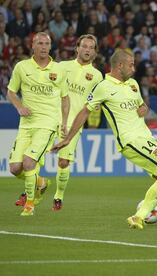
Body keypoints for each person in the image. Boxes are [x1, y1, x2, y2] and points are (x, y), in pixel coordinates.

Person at [51, 49, 157, 230]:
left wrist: (144, 109)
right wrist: (69, 138)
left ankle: (138, 217)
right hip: (129, 139)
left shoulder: (133, 84)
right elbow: (85, 111)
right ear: (120, 65)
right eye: (131, 64)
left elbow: (142, 106)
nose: (134, 68)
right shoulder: (103, 87)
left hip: (145, 136)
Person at [7, 32, 69, 216]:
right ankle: (41, 183)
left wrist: (64, 123)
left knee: (29, 163)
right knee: (15, 168)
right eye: (40, 43)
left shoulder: (58, 70)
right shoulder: (22, 67)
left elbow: (65, 99)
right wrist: (19, 107)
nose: (43, 47)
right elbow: (11, 92)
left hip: (48, 123)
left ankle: (30, 204)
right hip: (26, 124)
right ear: (32, 45)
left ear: (50, 47)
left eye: (47, 44)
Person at [52, 34, 104, 211]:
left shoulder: (97, 76)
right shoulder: (62, 66)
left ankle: (58, 195)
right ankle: (32, 191)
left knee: (63, 162)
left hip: (73, 124)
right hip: (50, 117)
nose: (87, 49)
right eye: (84, 46)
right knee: (33, 159)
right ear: (77, 48)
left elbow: (97, 101)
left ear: (95, 52)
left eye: (91, 47)